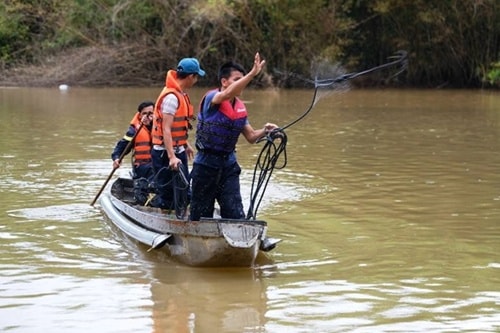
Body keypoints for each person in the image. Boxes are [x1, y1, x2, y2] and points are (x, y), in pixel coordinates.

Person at [189, 52, 279, 221]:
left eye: (242, 80)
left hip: (228, 165)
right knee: (200, 215)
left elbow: (251, 136)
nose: (241, 85)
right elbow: (226, 95)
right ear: (224, 82)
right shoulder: (212, 98)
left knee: (235, 212)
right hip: (205, 165)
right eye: (236, 80)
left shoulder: (239, 108)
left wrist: (266, 131)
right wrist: (252, 74)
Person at [151, 57, 205, 215]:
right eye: (196, 77)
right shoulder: (171, 98)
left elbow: (176, 128)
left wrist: (184, 143)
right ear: (190, 77)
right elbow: (166, 129)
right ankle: (165, 221)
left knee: (183, 189)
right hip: (164, 153)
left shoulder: (180, 94)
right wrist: (172, 156)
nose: (196, 81)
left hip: (177, 149)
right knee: (167, 194)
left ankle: (182, 218)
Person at [111, 101, 155, 204]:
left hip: (158, 167)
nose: (148, 116)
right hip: (141, 168)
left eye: (151, 113)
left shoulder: (161, 128)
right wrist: (116, 158)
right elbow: (121, 148)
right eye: (145, 113)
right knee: (141, 194)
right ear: (139, 115)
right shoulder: (134, 131)